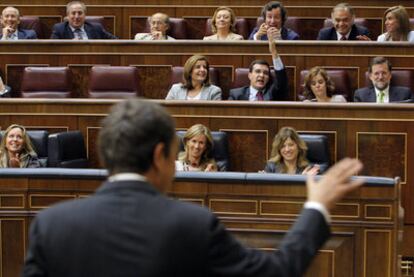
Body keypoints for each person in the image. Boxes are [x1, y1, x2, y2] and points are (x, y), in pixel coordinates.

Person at [22, 99, 364, 277]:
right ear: (160, 155)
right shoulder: (193, 225)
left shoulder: (51, 225)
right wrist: (316, 206)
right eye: (175, 152)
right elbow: (276, 272)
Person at [228, 35, 288, 101]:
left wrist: (274, 52)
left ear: (268, 78)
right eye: (257, 71)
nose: (262, 75)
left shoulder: (273, 93)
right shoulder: (236, 94)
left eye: (265, 73)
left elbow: (281, 80)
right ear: (249, 75)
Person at [51, 1, 117, 40]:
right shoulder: (59, 29)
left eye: (80, 13)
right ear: (68, 15)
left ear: (85, 15)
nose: (76, 17)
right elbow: (52, 48)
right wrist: (69, 45)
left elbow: (116, 41)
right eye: (73, 13)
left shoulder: (96, 28)